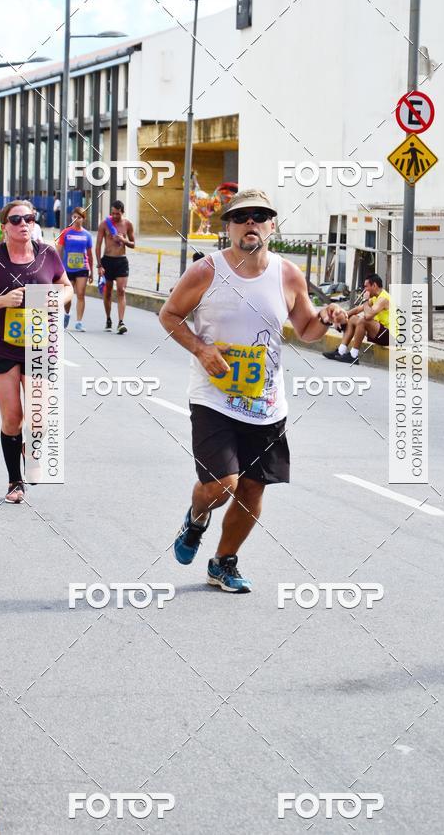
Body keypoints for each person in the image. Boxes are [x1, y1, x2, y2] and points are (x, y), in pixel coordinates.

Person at [159, 188, 333, 594]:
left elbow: (306, 329)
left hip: (267, 404)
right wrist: (201, 349)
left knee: (253, 489)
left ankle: (223, 562)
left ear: (272, 225)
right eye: (241, 217)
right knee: (224, 484)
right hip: (214, 397)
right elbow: (169, 314)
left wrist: (324, 319)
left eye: (260, 216)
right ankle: (197, 515)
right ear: (230, 227)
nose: (250, 222)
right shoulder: (206, 271)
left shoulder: (288, 274)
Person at [0, 200, 73, 503]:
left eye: (29, 218)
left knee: (40, 419)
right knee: (13, 417)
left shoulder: (48, 253)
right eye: (16, 219)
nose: (23, 223)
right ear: (5, 225)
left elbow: (67, 287)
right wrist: (2, 300)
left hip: (39, 345)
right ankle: (15, 481)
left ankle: (31, 447)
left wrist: (57, 298)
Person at [323, 273, 391, 364]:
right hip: (380, 332)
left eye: (366, 287)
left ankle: (353, 355)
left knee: (363, 320)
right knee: (353, 318)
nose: (364, 290)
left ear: (374, 285)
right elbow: (358, 309)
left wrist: (366, 300)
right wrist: (342, 316)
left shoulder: (383, 299)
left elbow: (368, 316)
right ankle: (341, 351)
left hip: (390, 336)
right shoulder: (375, 297)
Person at [96, 200, 135, 334]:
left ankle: (121, 322)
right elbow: (98, 246)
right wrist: (99, 265)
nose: (114, 216)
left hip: (121, 261)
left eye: (117, 214)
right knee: (107, 292)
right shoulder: (104, 224)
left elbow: (133, 244)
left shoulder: (128, 224)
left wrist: (124, 240)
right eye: (112, 213)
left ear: (122, 212)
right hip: (107, 261)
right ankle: (108, 318)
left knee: (121, 290)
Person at [57, 207, 94, 331]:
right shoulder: (66, 232)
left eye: (79, 217)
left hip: (82, 268)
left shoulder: (87, 235)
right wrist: (57, 268)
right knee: (68, 295)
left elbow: (89, 254)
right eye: (74, 217)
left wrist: (92, 272)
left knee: (81, 294)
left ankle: (79, 322)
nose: (76, 219)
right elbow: (59, 250)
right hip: (67, 268)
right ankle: (67, 314)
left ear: (83, 219)